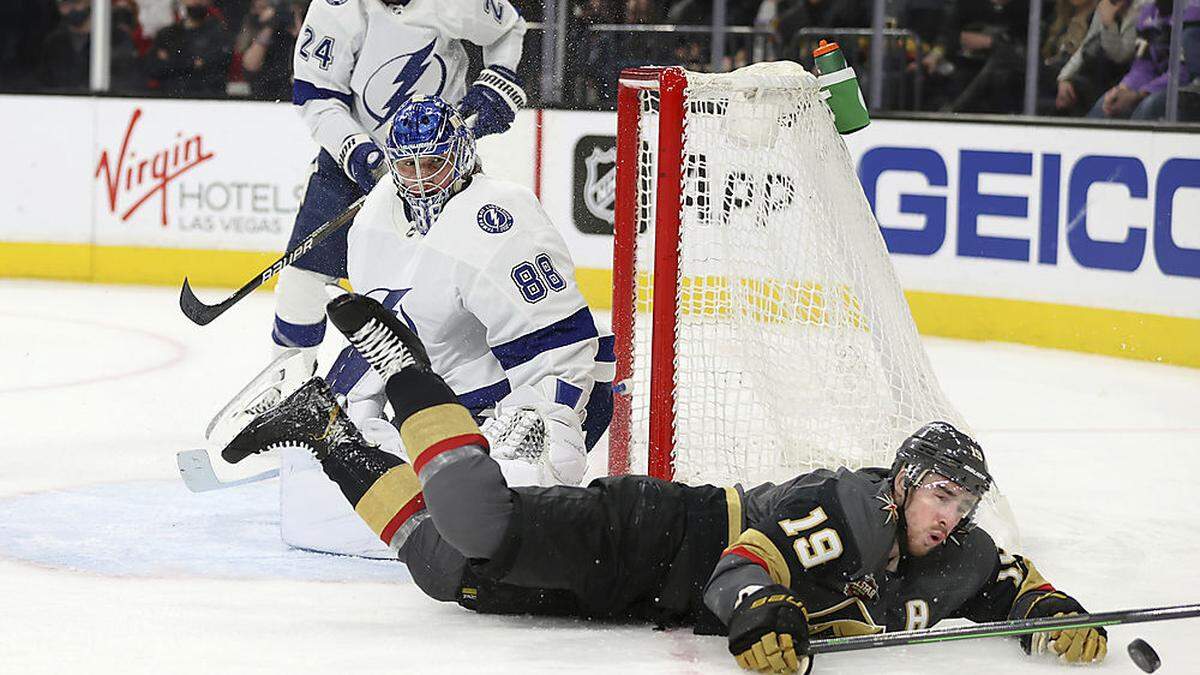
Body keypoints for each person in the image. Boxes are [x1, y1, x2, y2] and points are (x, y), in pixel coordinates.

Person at [223, 289, 1109, 674]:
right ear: (906, 482)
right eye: (940, 495)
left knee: (445, 571)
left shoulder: (954, 549)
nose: (949, 518)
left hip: (641, 596)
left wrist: (1053, 617)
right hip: (658, 533)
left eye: (962, 505)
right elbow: (744, 567)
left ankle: (324, 426)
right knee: (476, 522)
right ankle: (403, 366)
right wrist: (763, 615)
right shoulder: (852, 505)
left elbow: (1002, 582)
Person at [262, 96, 613, 558]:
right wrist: (356, 408)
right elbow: (385, 326)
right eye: (406, 167)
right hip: (442, 406)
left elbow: (557, 346)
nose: (421, 179)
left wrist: (550, 423)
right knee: (345, 445)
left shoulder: (498, 218)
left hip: (516, 401)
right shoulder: (373, 221)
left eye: (432, 162)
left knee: (528, 492)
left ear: (462, 157)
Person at [256, 0, 529, 418]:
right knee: (304, 276)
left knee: (452, 279)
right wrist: (360, 154)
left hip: (442, 165)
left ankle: (474, 394)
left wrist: (499, 79)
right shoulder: (338, 7)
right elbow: (315, 96)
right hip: (354, 158)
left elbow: (508, 28)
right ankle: (287, 388)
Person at [1088, 0, 1200, 120]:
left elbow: (1183, 73)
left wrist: (1140, 95)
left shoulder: (1193, 11)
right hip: (1158, 85)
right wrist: (1124, 88)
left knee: (1148, 106)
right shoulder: (1148, 12)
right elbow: (1143, 65)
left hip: (1187, 89)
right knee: (1106, 105)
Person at [148, 0, 233, 96]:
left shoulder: (218, 32)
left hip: (208, 97)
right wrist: (193, 64)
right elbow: (154, 68)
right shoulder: (167, 34)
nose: (197, 2)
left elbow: (218, 64)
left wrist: (173, 61)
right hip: (171, 98)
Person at [234, 0, 302, 100]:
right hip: (261, 88)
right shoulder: (253, 21)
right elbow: (250, 64)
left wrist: (289, 17)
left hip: (288, 85)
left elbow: (299, 36)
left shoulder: (288, 16)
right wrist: (270, 25)